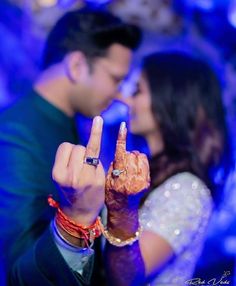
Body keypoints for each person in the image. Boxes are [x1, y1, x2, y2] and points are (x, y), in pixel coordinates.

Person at [0, 8, 141, 285]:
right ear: (77, 65)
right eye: (115, 79)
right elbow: (15, 272)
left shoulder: (65, 120)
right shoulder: (15, 135)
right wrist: (76, 217)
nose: (121, 96)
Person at [102, 52, 231, 285]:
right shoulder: (154, 169)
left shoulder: (188, 189)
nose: (126, 100)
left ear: (169, 102)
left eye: (137, 91)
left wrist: (120, 209)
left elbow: (128, 276)